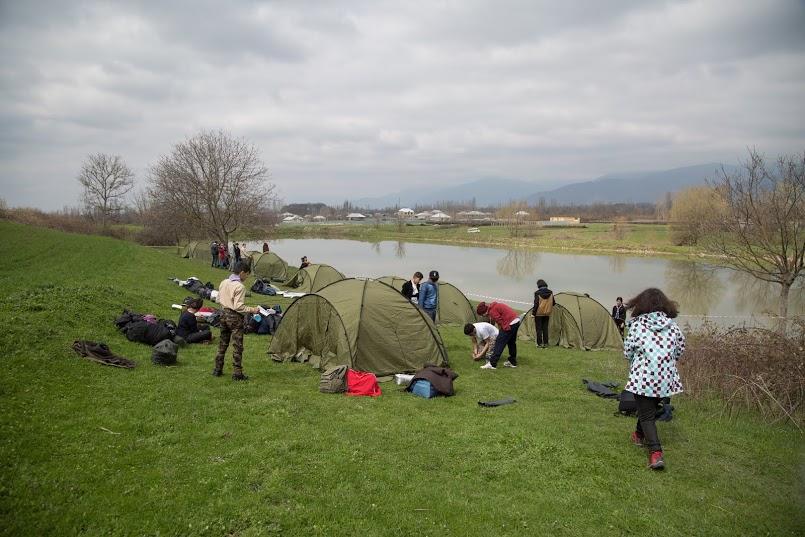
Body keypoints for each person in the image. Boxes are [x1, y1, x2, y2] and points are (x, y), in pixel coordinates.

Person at [623, 288, 685, 471]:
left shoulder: (637, 325)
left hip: (644, 377)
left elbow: (628, 352)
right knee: (647, 409)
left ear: (640, 304)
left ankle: (656, 453)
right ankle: (638, 435)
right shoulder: (673, 326)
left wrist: (641, 359)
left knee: (647, 415)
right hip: (666, 379)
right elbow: (680, 350)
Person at [213, 260, 260, 381]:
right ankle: (237, 373)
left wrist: (227, 301)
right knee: (237, 346)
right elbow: (238, 307)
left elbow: (218, 299)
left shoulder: (224, 282)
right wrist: (253, 310)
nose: (247, 277)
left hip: (222, 314)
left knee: (222, 344)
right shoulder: (240, 286)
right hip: (234, 318)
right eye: (247, 274)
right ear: (242, 273)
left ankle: (217, 369)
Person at [476, 301, 520, 369]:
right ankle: (512, 361)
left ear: (484, 312)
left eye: (482, 315)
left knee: (499, 343)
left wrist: (502, 333)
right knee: (511, 343)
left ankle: (492, 364)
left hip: (509, 323)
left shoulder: (492, 311)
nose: (483, 316)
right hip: (516, 321)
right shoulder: (494, 306)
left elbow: (500, 322)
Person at [533, 279, 555, 348]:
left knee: (538, 329)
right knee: (545, 328)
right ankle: (546, 343)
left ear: (538, 285)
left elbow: (536, 304)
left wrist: (533, 313)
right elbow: (553, 303)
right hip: (547, 313)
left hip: (538, 313)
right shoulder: (551, 292)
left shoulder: (537, 293)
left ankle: (539, 344)